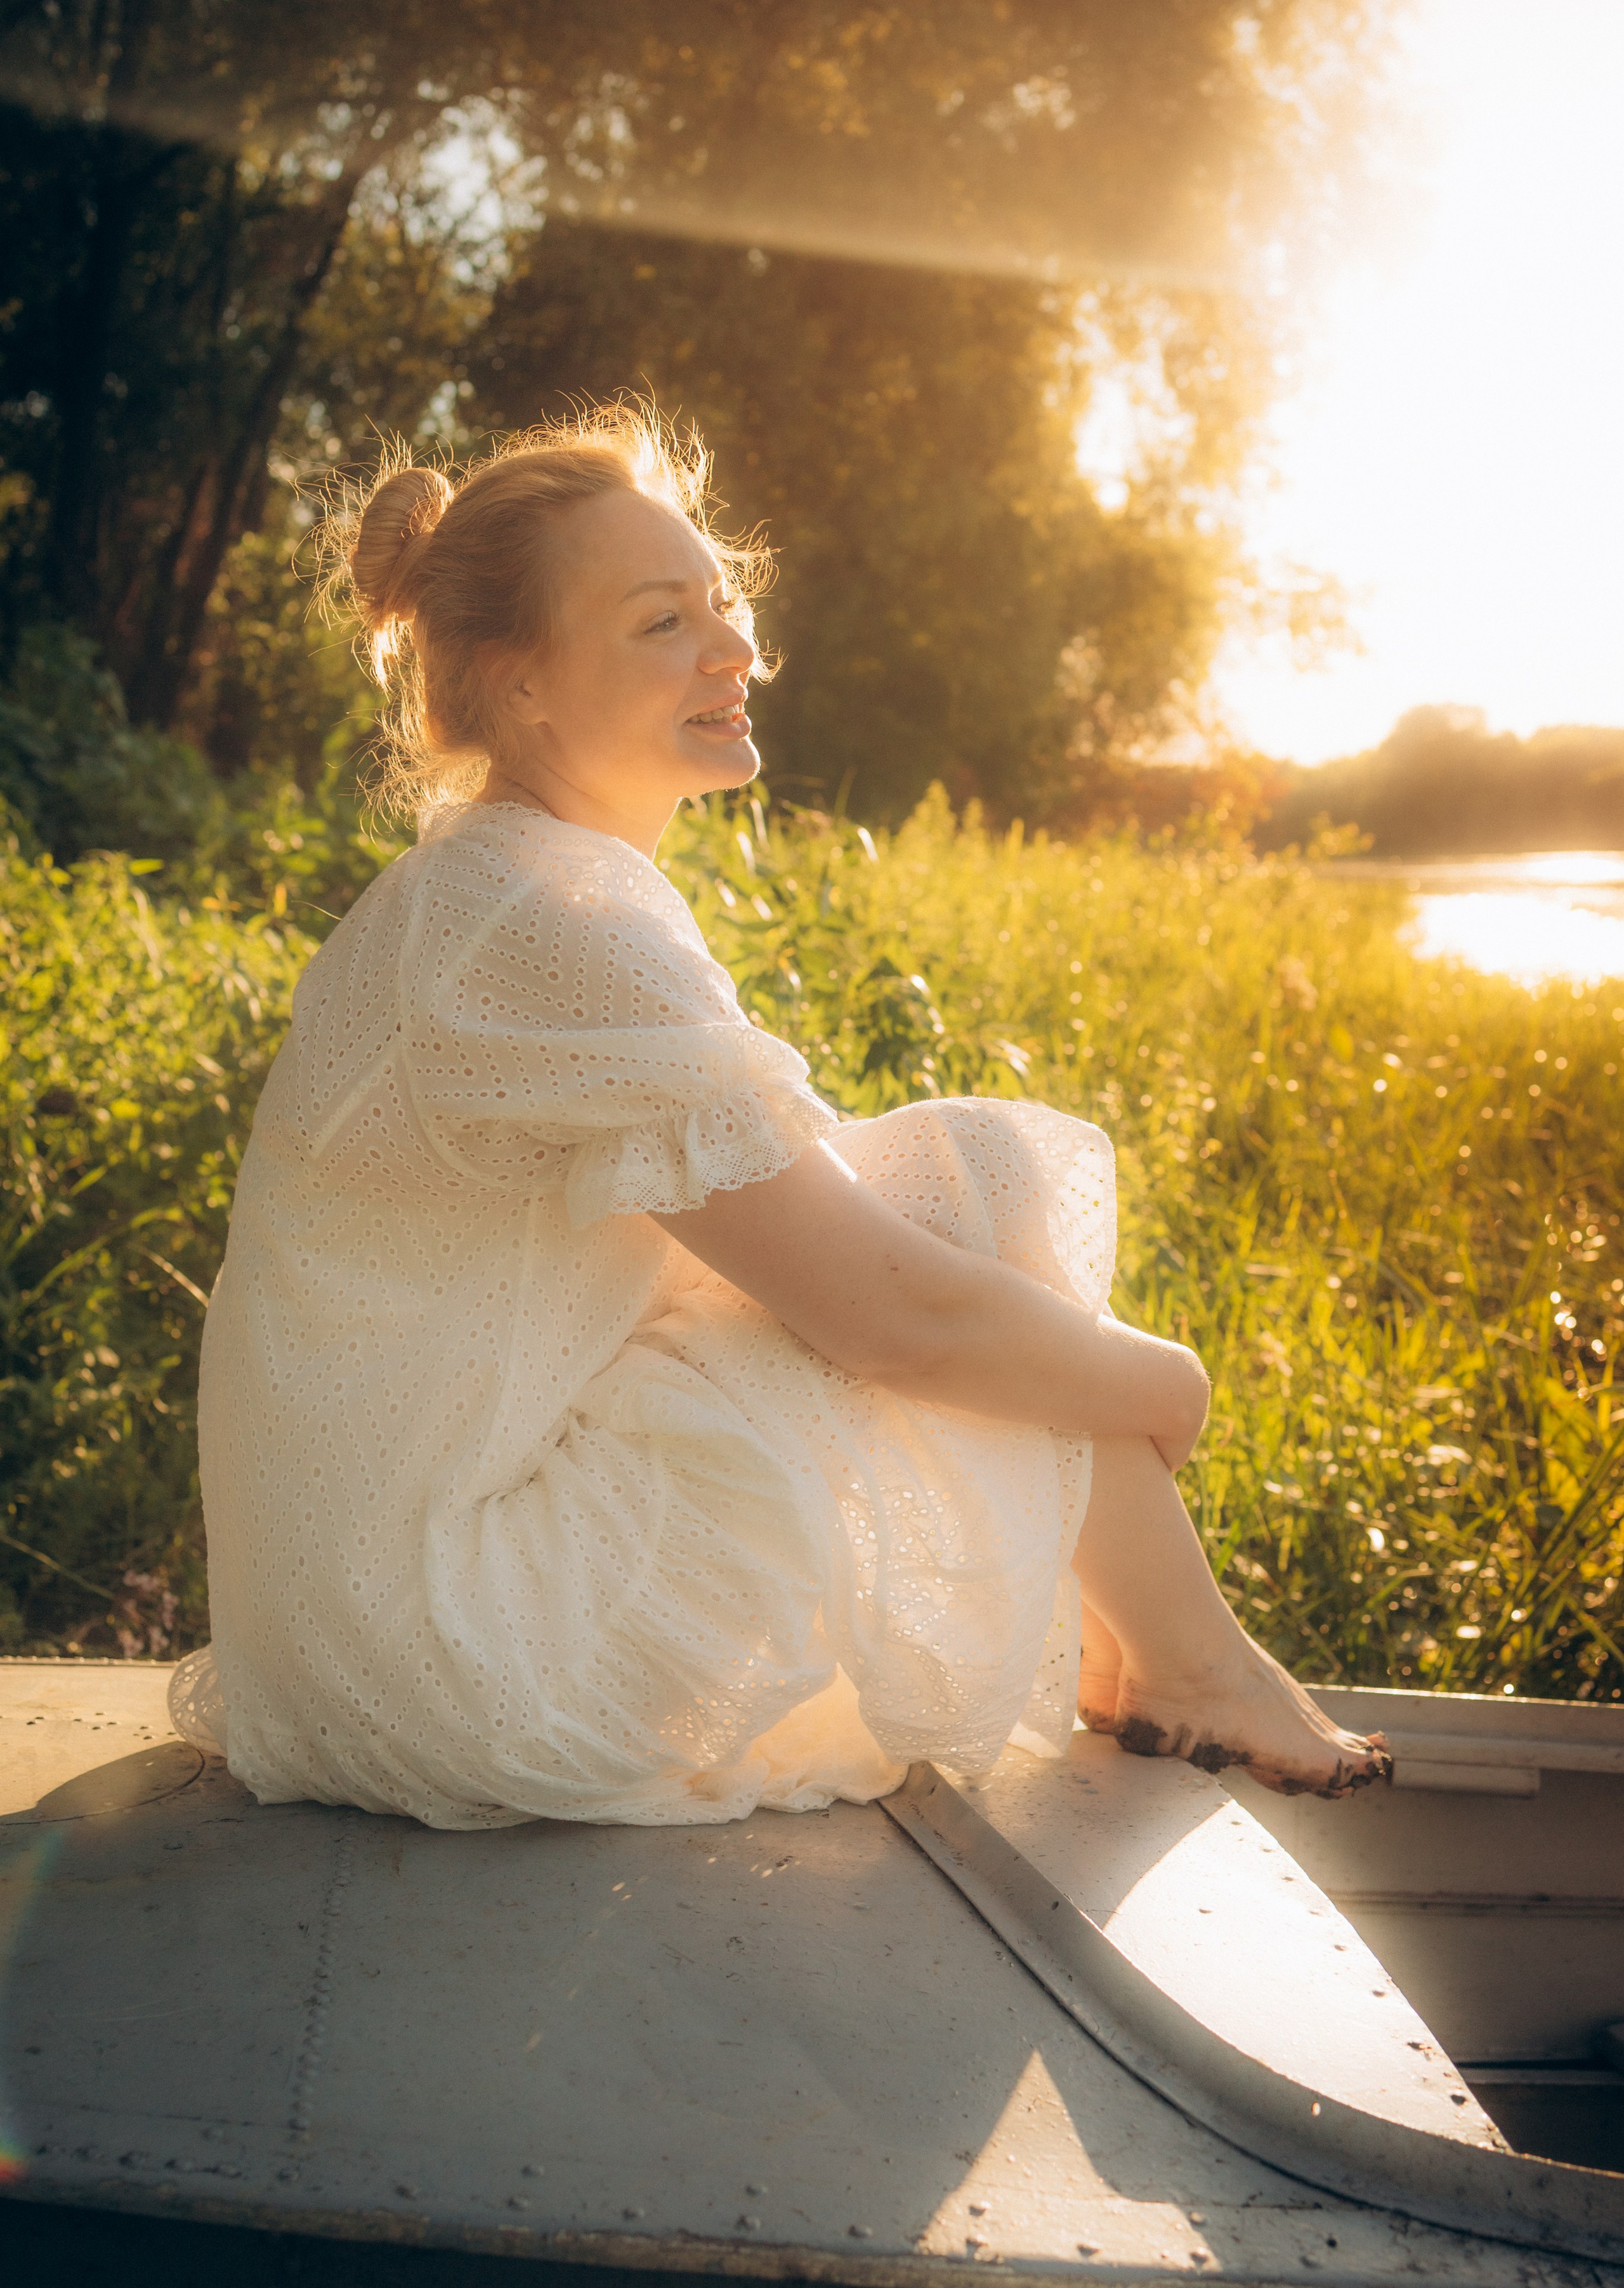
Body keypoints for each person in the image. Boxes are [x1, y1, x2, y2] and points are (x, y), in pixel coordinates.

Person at [168, 406, 1390, 1827]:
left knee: (961, 1176)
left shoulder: (505, 879)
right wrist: (1159, 1386)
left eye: (722, 602)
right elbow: (887, 1317)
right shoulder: (533, 915)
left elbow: (800, 1250)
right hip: (441, 1649)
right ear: (519, 694)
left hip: (359, 1624)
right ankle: (1184, 1654)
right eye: (658, 623)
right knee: (944, 1239)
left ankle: (1162, 1654)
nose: (732, 649)